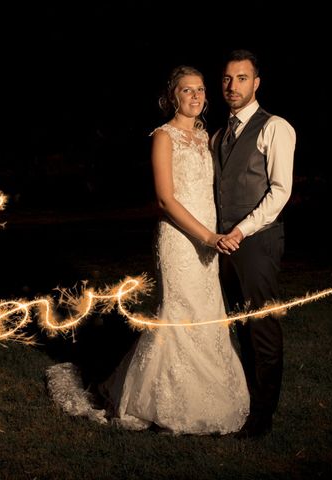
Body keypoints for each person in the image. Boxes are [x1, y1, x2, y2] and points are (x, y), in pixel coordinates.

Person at [46, 65, 249, 435]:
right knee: (178, 312)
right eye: (187, 90)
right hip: (180, 240)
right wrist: (207, 236)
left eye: (201, 89)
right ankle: (162, 400)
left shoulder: (207, 138)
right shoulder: (163, 137)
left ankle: (210, 398)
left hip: (210, 242)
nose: (196, 96)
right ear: (172, 96)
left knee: (207, 311)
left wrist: (221, 235)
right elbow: (165, 200)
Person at [210, 49, 296, 438]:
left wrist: (241, 230)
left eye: (242, 78)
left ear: (256, 83)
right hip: (224, 244)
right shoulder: (218, 134)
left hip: (257, 241)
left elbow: (279, 193)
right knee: (239, 324)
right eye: (228, 79)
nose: (233, 86)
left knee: (262, 325)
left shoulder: (275, 127)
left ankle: (263, 416)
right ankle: (245, 401)